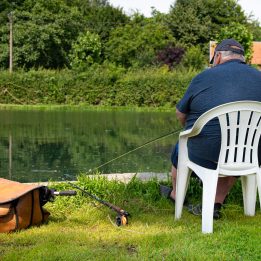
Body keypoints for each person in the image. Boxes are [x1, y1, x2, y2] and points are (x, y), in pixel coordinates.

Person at [169, 38, 261, 218]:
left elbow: (180, 114)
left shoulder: (203, 76)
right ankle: (215, 203)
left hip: (208, 152)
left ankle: (175, 194)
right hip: (252, 153)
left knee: (182, 144)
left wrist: (190, 129)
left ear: (217, 57)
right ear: (242, 58)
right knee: (238, 145)